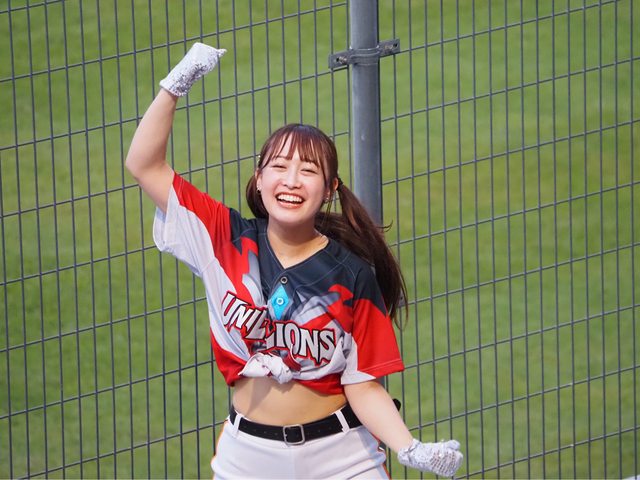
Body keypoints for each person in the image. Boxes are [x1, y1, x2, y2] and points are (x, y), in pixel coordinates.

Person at [126, 42, 463, 479]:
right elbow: (144, 165)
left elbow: (362, 385)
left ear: (329, 189)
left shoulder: (351, 274)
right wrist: (175, 85)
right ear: (259, 178)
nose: (291, 181)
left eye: (308, 171)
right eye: (280, 167)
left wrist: (410, 447)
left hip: (343, 459)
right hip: (247, 459)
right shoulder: (221, 238)